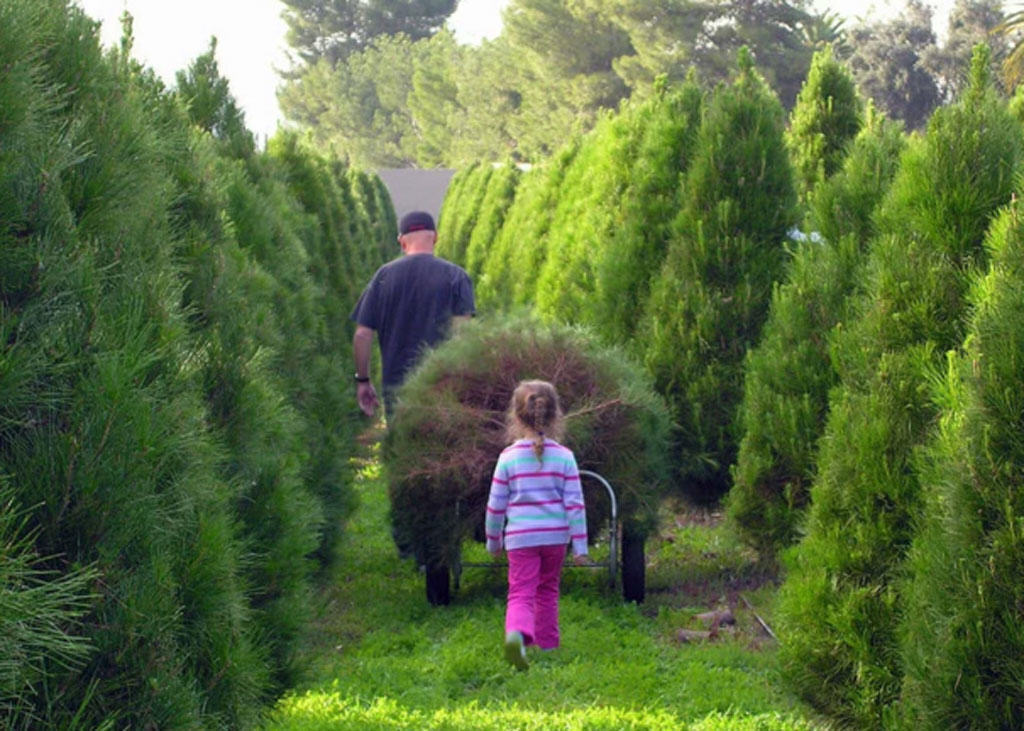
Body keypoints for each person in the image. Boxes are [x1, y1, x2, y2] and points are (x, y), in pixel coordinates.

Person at [485, 380, 589, 671]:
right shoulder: (565, 457)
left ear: (516, 417)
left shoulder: (507, 458)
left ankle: (516, 639)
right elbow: (575, 504)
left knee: (520, 592)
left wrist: (493, 541)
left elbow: (496, 506)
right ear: (556, 416)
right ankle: (548, 644)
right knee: (547, 589)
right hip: (555, 538)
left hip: (520, 538)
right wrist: (580, 547)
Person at [350, 210, 475, 421]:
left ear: (401, 242)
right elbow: (463, 334)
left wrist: (363, 380)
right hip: (443, 385)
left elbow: (362, 335)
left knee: (401, 447)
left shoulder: (383, 276)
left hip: (397, 387)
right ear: (435, 237)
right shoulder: (456, 276)